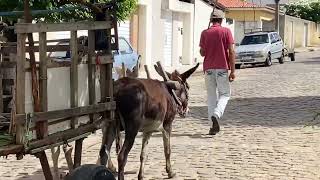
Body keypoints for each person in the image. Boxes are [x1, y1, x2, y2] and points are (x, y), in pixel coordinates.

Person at [199, 10, 236, 135]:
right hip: (221, 68)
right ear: (221, 20)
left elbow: (202, 53)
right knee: (225, 94)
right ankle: (217, 114)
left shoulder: (205, 32)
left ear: (211, 20)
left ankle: (212, 126)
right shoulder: (226, 32)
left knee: (211, 97)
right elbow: (231, 51)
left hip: (208, 69)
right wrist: (233, 71)